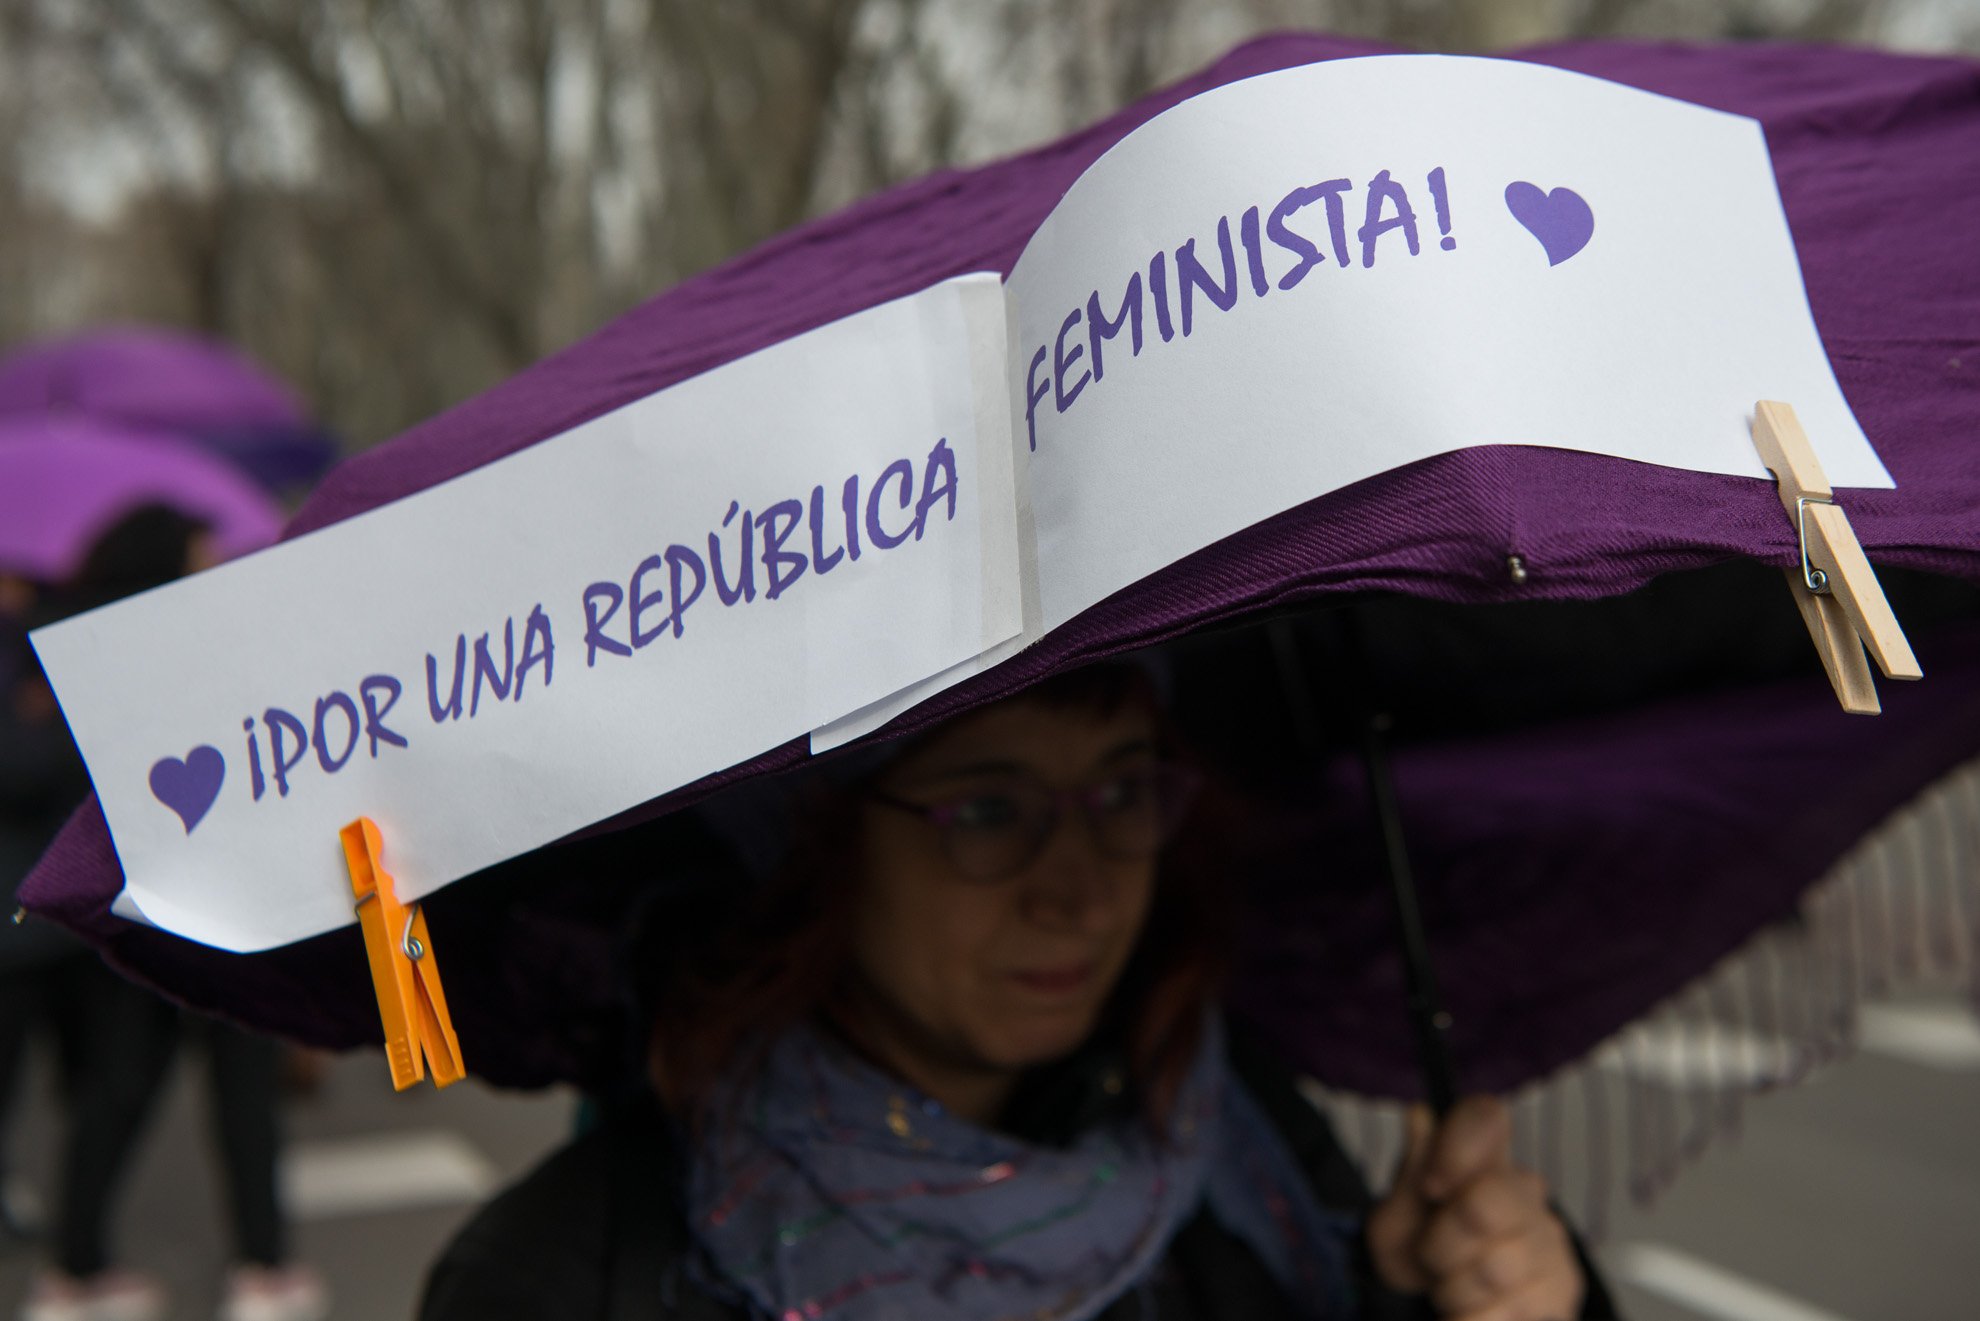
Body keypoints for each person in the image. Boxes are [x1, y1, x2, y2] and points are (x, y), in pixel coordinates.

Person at [422, 664, 1614, 1320]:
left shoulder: (1234, 1142)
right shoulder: (564, 1279)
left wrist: (1445, 1304)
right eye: (988, 811)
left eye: (1121, 794)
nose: (1079, 892)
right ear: (814, 852)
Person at [1, 508, 326, 1321]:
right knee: (234, 1095)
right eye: (199, 553)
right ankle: (264, 1268)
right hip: (220, 904)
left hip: (130, 912)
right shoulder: (176, 648)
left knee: (117, 1092)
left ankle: (75, 1271)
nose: (213, 564)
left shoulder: (56, 645)